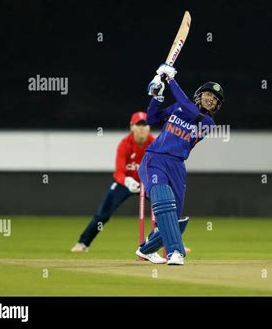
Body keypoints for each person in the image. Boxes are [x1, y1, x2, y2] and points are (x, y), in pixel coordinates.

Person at [135, 64, 224, 265]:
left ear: (216, 106)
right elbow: (151, 118)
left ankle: (145, 251)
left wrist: (170, 79)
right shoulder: (179, 107)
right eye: (208, 94)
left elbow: (185, 104)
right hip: (155, 159)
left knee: (173, 220)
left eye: (215, 99)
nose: (211, 99)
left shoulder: (207, 122)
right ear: (200, 95)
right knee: (164, 202)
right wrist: (156, 97)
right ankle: (176, 252)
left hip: (177, 166)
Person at [70, 112, 164, 262]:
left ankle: (172, 243)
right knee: (103, 215)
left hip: (147, 183)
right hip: (125, 183)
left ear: (149, 127)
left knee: (164, 207)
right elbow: (119, 171)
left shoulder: (154, 144)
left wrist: (151, 181)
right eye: (138, 125)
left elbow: (158, 167)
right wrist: (127, 181)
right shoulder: (125, 144)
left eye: (144, 125)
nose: (141, 129)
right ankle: (83, 243)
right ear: (131, 127)